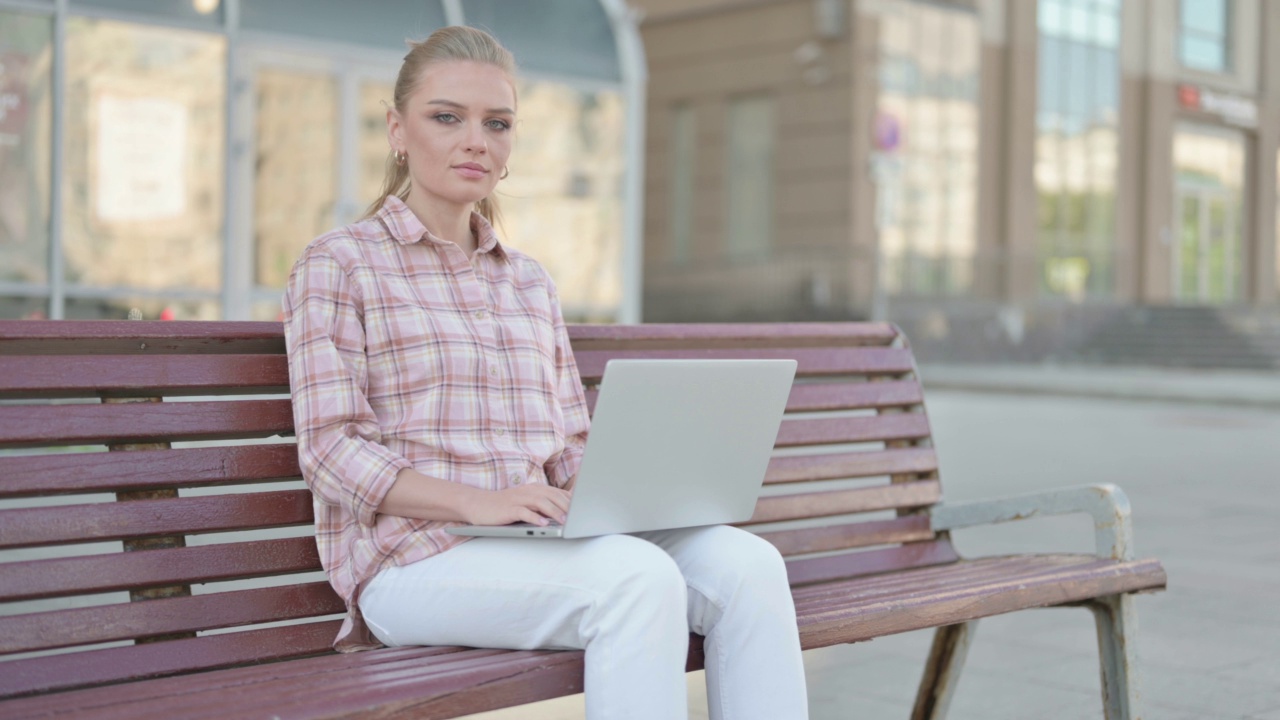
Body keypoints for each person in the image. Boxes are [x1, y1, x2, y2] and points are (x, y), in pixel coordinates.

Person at [283, 25, 808, 720]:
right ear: (397, 130)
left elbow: (566, 446)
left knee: (749, 566)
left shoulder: (529, 282)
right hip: (413, 563)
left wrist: (628, 493)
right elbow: (330, 450)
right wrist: (476, 503)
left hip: (539, 544)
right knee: (636, 580)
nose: (476, 140)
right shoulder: (338, 264)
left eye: (496, 124)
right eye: (448, 117)